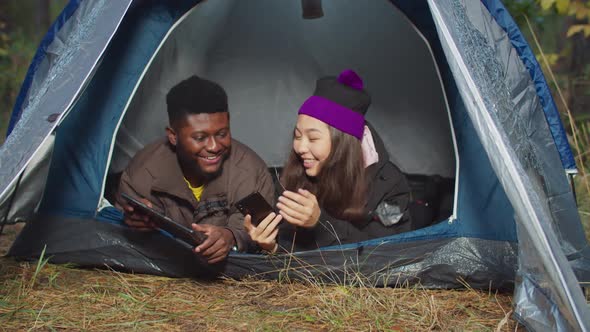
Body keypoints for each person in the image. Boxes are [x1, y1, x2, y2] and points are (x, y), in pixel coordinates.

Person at [244, 70, 412, 253]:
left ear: (343, 142)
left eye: (313, 138)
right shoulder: (295, 174)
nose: (300, 147)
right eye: (297, 135)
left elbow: (387, 253)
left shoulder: (389, 184)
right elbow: (293, 253)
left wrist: (320, 224)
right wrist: (271, 247)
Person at [116, 75, 275, 263]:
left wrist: (230, 237)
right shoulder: (143, 172)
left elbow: (261, 231)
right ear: (173, 136)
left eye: (222, 134)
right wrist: (136, 222)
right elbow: (120, 227)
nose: (214, 146)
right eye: (200, 138)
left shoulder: (250, 171)